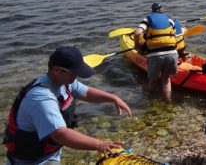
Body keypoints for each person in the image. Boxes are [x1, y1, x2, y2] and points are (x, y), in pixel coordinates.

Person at [3, 46, 131, 165]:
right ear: (56, 70)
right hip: (32, 160)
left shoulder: (64, 81)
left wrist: (113, 98)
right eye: (73, 72)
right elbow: (61, 134)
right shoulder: (41, 98)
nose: (76, 76)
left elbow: (85, 92)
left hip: (49, 151)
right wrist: (99, 144)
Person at [133, 2, 178, 100]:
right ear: (162, 10)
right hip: (172, 54)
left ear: (152, 10)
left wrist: (136, 44)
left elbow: (137, 33)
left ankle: (151, 101)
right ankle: (168, 100)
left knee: (153, 80)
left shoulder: (148, 19)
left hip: (156, 55)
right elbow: (174, 36)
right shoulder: (170, 20)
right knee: (166, 79)